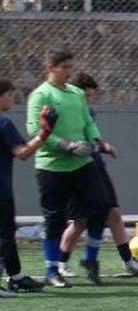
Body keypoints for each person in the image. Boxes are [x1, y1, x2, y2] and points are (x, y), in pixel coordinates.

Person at [27, 49, 117, 288]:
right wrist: (66, 145)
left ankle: (90, 258)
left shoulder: (77, 93)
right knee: (55, 219)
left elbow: (88, 123)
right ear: (50, 68)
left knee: (99, 206)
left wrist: (96, 141)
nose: (69, 71)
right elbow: (34, 129)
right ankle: (51, 270)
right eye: (64, 67)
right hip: (52, 167)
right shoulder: (40, 95)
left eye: (70, 67)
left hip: (82, 164)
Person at [57, 72, 138, 282]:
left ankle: (128, 261)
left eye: (92, 96)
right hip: (76, 170)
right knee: (81, 221)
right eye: (86, 96)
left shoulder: (90, 114)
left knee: (114, 213)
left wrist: (102, 145)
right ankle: (61, 263)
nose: (90, 100)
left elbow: (92, 138)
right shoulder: (65, 114)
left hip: (96, 168)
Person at [0, 79, 57, 296]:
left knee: (7, 233)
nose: (12, 99)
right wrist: (45, 132)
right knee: (4, 235)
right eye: (9, 95)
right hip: (1, 191)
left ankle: (15, 277)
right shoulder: (4, 124)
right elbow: (23, 153)